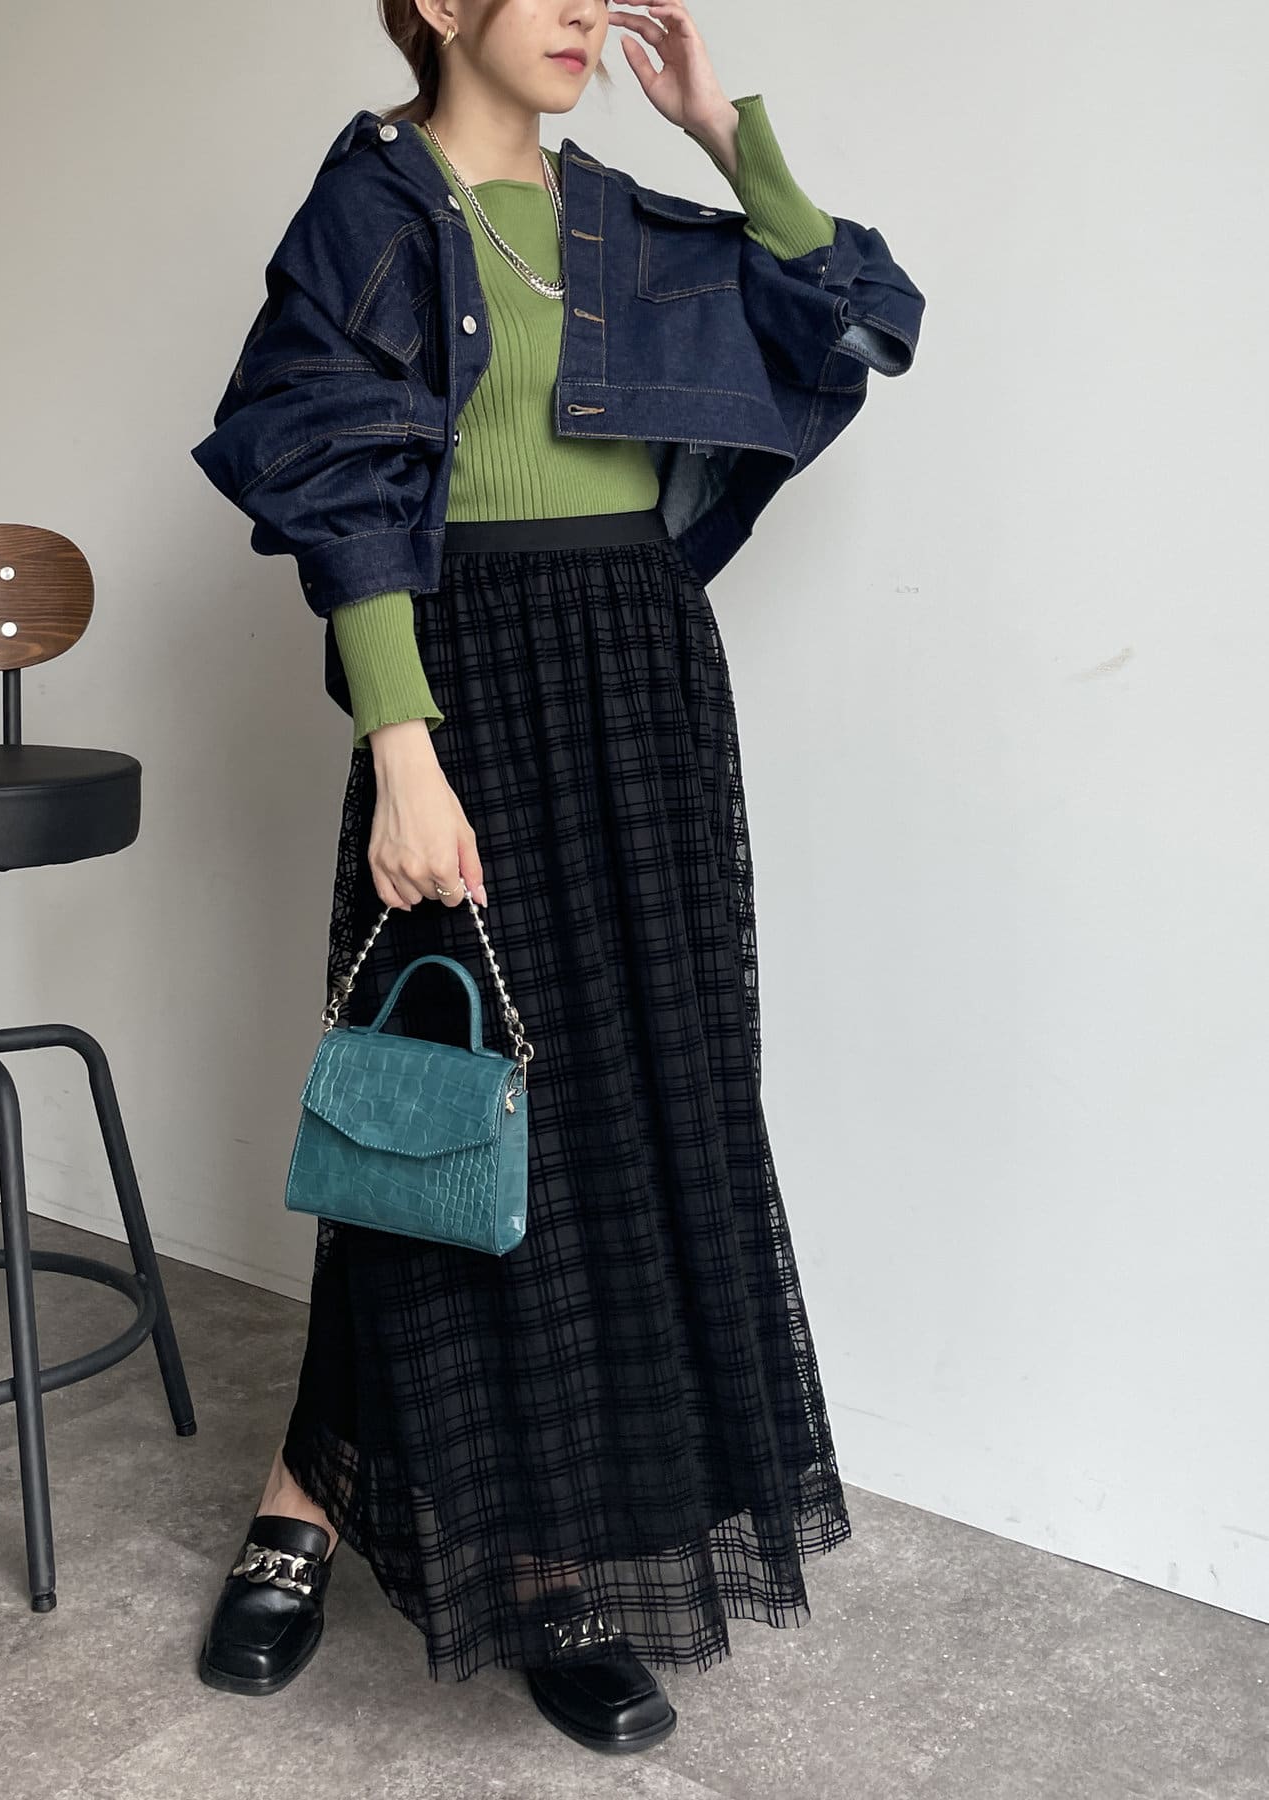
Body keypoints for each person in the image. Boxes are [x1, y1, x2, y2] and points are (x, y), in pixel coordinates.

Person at [189, 0, 922, 1756]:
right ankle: (325, 1498)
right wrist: (402, 744)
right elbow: (334, 481)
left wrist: (724, 133)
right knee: (438, 1105)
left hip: (645, 686)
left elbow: (857, 321)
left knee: (622, 1118)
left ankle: (524, 1545)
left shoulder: (626, 222)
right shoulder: (372, 206)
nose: (589, 8)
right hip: (464, 688)